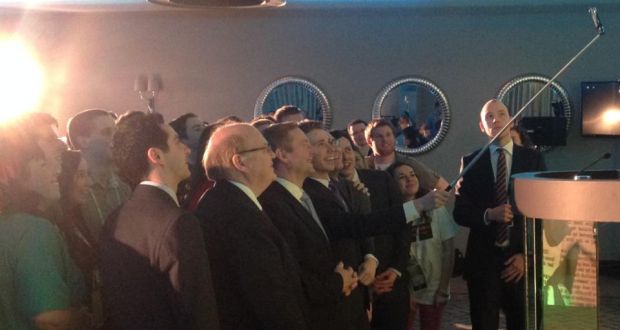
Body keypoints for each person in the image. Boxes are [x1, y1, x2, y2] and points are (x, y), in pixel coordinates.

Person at [99, 111, 219, 329]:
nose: (187, 149)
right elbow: (197, 311)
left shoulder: (115, 219)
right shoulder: (178, 223)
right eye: (176, 142)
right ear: (156, 156)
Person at [196, 123, 309, 330]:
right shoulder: (235, 215)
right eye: (264, 149)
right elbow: (271, 300)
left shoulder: (228, 202)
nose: (273, 155)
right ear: (240, 162)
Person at [453, 99, 546, 330]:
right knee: (484, 323)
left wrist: (528, 256)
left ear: (511, 120)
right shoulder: (471, 161)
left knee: (522, 323)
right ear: (482, 126)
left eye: (501, 114)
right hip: (483, 261)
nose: (495, 120)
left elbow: (544, 212)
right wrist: (488, 214)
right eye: (489, 117)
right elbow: (460, 212)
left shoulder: (532, 158)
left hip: (520, 260)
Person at [258, 122, 359, 330]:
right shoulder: (273, 204)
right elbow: (294, 275)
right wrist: (338, 282)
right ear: (283, 155)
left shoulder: (302, 195)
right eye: (306, 145)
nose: (312, 151)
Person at [0, 115, 90, 329]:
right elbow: (52, 321)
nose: (60, 144)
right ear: (19, 161)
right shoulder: (31, 231)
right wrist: (86, 320)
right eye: (49, 139)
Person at [332, 130, 411, 330]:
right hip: (353, 288)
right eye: (338, 151)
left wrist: (395, 269)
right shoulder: (329, 192)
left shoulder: (381, 180)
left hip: (389, 281)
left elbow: (401, 226)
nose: (345, 156)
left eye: (348, 150)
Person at [387, 162, 458, 330]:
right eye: (402, 177)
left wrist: (442, 289)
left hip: (434, 286)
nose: (409, 179)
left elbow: (448, 250)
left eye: (412, 174)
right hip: (404, 288)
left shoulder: (436, 209)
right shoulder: (390, 214)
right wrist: (406, 291)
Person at [66, 109, 131, 240]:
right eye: (107, 133)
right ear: (83, 141)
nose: (116, 139)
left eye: (116, 132)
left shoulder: (125, 188)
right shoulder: (72, 191)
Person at [364, 119, 449, 192]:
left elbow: (443, 186)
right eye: (379, 136)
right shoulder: (363, 165)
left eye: (388, 135)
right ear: (369, 141)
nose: (385, 139)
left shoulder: (408, 164)